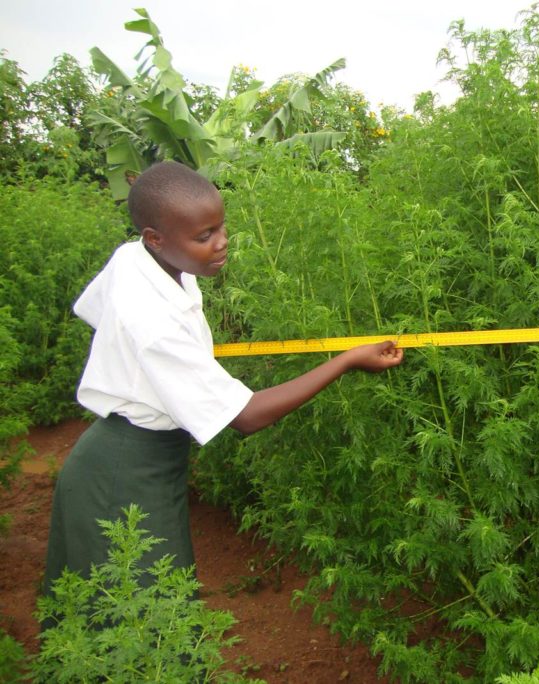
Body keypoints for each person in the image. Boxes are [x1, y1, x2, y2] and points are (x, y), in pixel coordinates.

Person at [43, 160, 404, 600]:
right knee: (147, 614)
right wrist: (346, 360)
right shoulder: (154, 321)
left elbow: (96, 310)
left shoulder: (137, 259)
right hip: (123, 475)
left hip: (136, 456)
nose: (222, 243)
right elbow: (246, 417)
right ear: (155, 237)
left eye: (221, 227)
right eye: (204, 236)